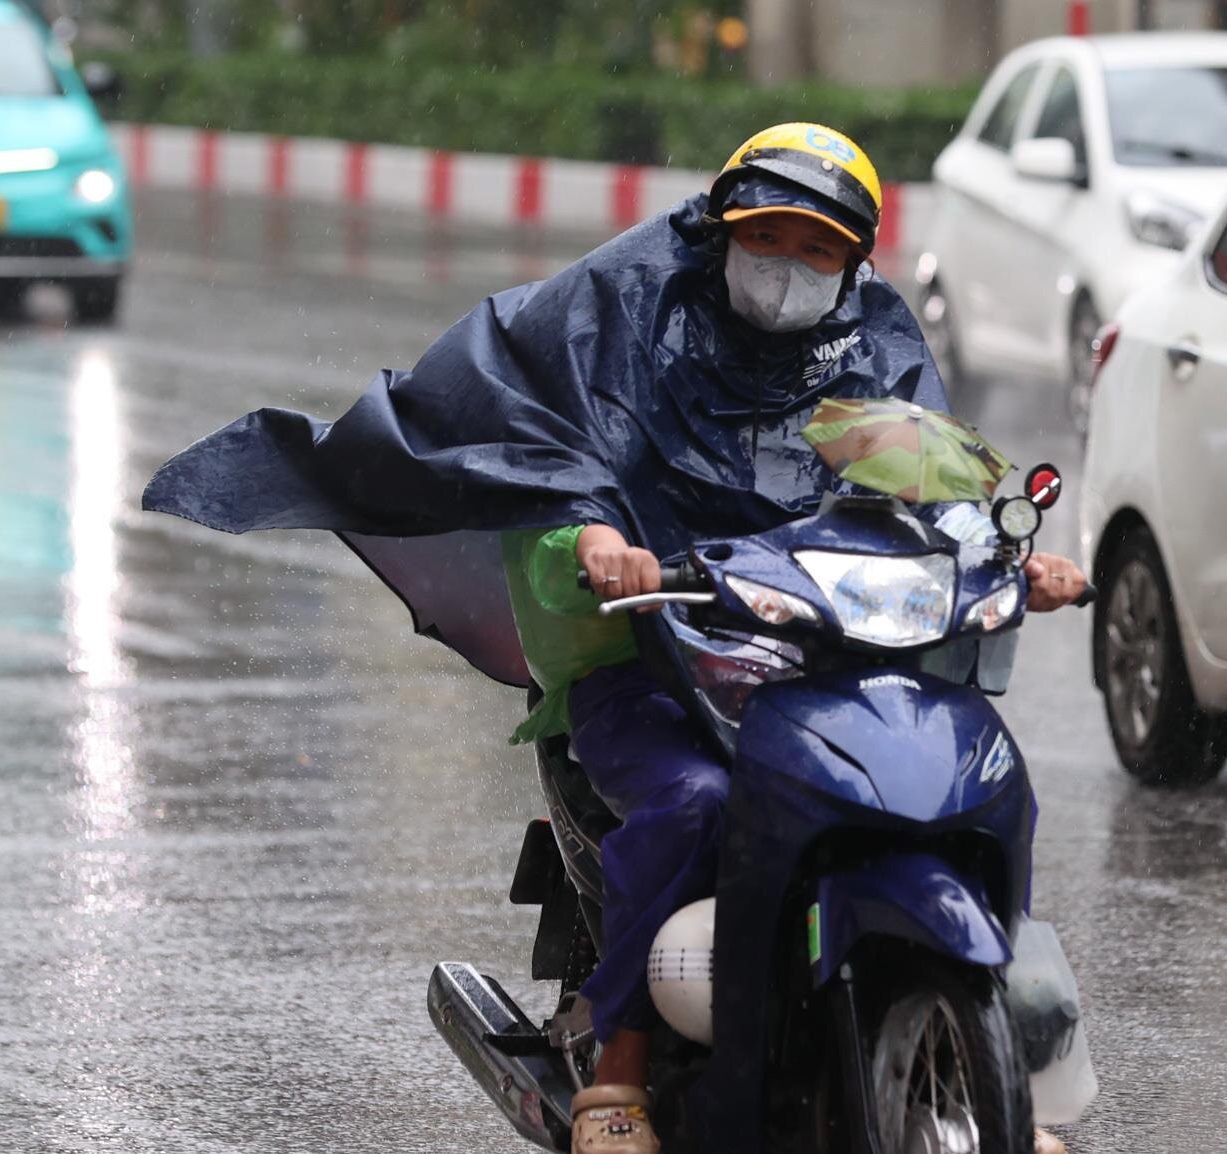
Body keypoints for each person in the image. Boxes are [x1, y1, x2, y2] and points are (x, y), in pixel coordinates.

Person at [143, 123, 1081, 1154]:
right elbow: (554, 441)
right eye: (769, 236)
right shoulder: (631, 312)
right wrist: (599, 530)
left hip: (830, 661)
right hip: (662, 655)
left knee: (974, 772)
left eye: (819, 249)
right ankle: (622, 1067)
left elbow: (930, 488)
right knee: (698, 802)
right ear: (723, 230)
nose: (790, 267)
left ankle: (1012, 1079)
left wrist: (1007, 560)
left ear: (854, 261)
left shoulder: (874, 343)